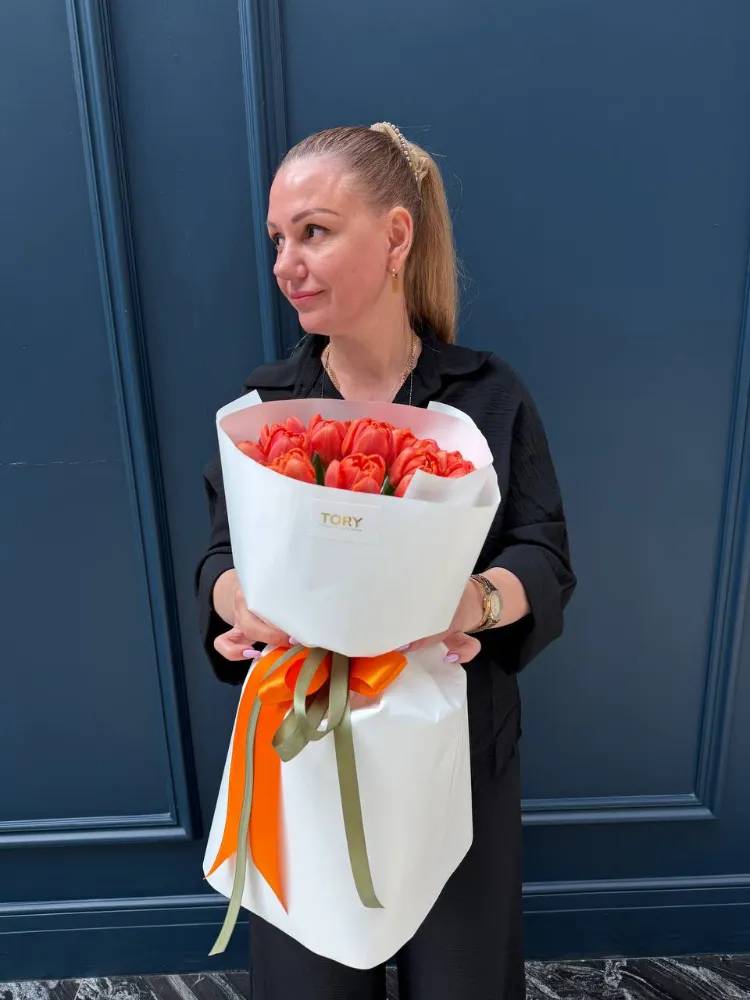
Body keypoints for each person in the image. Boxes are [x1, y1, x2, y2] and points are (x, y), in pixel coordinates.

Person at [194, 122, 577, 1000]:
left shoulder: (489, 397)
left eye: (315, 232)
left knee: (461, 983)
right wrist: (238, 600)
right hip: (302, 752)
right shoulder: (264, 410)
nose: (287, 260)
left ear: (397, 236)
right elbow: (219, 554)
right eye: (278, 239)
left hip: (459, 751)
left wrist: (474, 602)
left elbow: (544, 553)